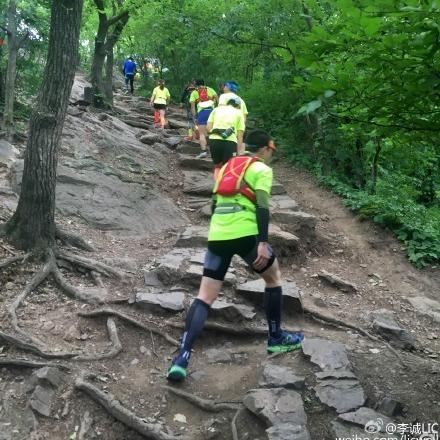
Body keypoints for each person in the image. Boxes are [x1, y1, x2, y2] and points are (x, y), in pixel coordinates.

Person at [166, 129, 305, 382]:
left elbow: (216, 204)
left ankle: (182, 357)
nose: (272, 154)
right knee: (273, 279)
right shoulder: (261, 169)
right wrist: (262, 242)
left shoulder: (228, 166)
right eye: (272, 149)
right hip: (246, 235)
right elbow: (262, 207)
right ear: (265, 148)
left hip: (217, 235)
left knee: (204, 297)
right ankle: (275, 337)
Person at [206, 97, 245, 178]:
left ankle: (217, 186)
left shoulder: (216, 110)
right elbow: (240, 136)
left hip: (214, 140)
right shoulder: (239, 113)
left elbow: (208, 128)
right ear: (237, 105)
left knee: (217, 166)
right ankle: (224, 186)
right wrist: (238, 153)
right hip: (230, 142)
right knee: (228, 167)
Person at [189, 79, 218, 159]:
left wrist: (195, 117)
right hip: (212, 112)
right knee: (213, 133)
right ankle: (214, 152)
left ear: (196, 85)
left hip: (202, 112)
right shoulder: (210, 89)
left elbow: (192, 107)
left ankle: (204, 151)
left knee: (202, 134)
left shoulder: (194, 92)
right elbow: (217, 99)